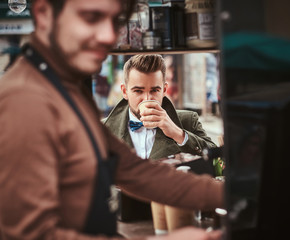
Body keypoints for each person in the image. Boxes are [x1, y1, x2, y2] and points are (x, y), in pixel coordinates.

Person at [0, 0, 223, 240]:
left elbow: (136, 172)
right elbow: (29, 235)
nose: (109, 36)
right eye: (91, 17)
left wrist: (239, 192)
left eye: (116, 21)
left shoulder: (67, 90)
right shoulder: (25, 99)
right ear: (44, 14)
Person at [103, 54, 217, 223]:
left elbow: (217, 162)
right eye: (138, 91)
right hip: (124, 221)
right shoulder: (104, 129)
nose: (147, 99)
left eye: (154, 90)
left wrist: (178, 133)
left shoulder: (186, 120)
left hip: (176, 217)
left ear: (164, 89)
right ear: (125, 91)